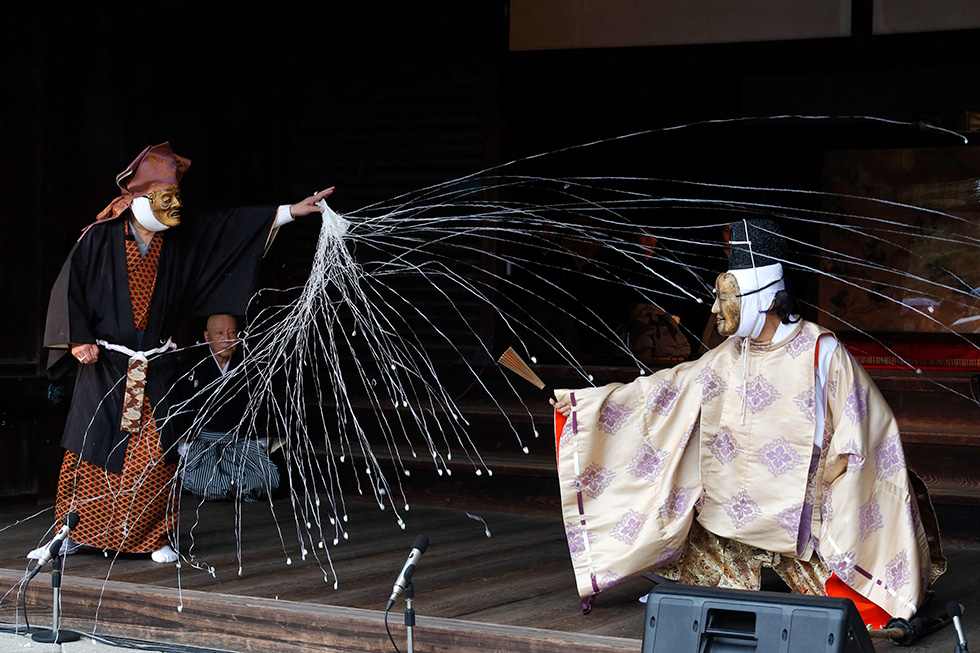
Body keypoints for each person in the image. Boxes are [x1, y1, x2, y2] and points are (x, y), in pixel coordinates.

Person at [549, 218, 944, 627]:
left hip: (803, 521)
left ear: (765, 298)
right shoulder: (728, 354)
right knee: (676, 513)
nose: (715, 309)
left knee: (845, 601)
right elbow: (663, 392)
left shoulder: (821, 353)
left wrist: (837, 481)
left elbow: (867, 431)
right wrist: (588, 407)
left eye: (727, 297)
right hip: (731, 518)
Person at [38, 142, 335, 563]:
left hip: (154, 363)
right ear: (139, 200)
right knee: (90, 448)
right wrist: (78, 336)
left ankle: (156, 537)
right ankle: (73, 532)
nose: (175, 206)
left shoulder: (178, 241)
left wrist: (289, 211)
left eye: (177, 197)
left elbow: (229, 228)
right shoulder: (99, 237)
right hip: (106, 364)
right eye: (166, 198)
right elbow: (69, 288)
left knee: (156, 451)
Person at [178, 314, 280, 502]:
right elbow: (182, 411)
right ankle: (233, 487)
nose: (227, 338)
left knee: (268, 479)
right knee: (201, 480)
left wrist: (260, 443)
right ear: (207, 337)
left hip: (240, 443)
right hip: (205, 444)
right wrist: (185, 445)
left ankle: (229, 487)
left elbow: (262, 408)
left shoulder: (251, 369)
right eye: (219, 333)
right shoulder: (191, 369)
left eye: (232, 332)